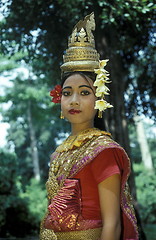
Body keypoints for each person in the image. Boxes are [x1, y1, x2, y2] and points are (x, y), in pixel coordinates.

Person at [40, 13, 139, 240]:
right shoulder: (59, 153)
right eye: (67, 93)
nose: (74, 100)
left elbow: (112, 227)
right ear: (59, 99)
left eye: (85, 93)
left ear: (99, 100)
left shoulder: (104, 152)